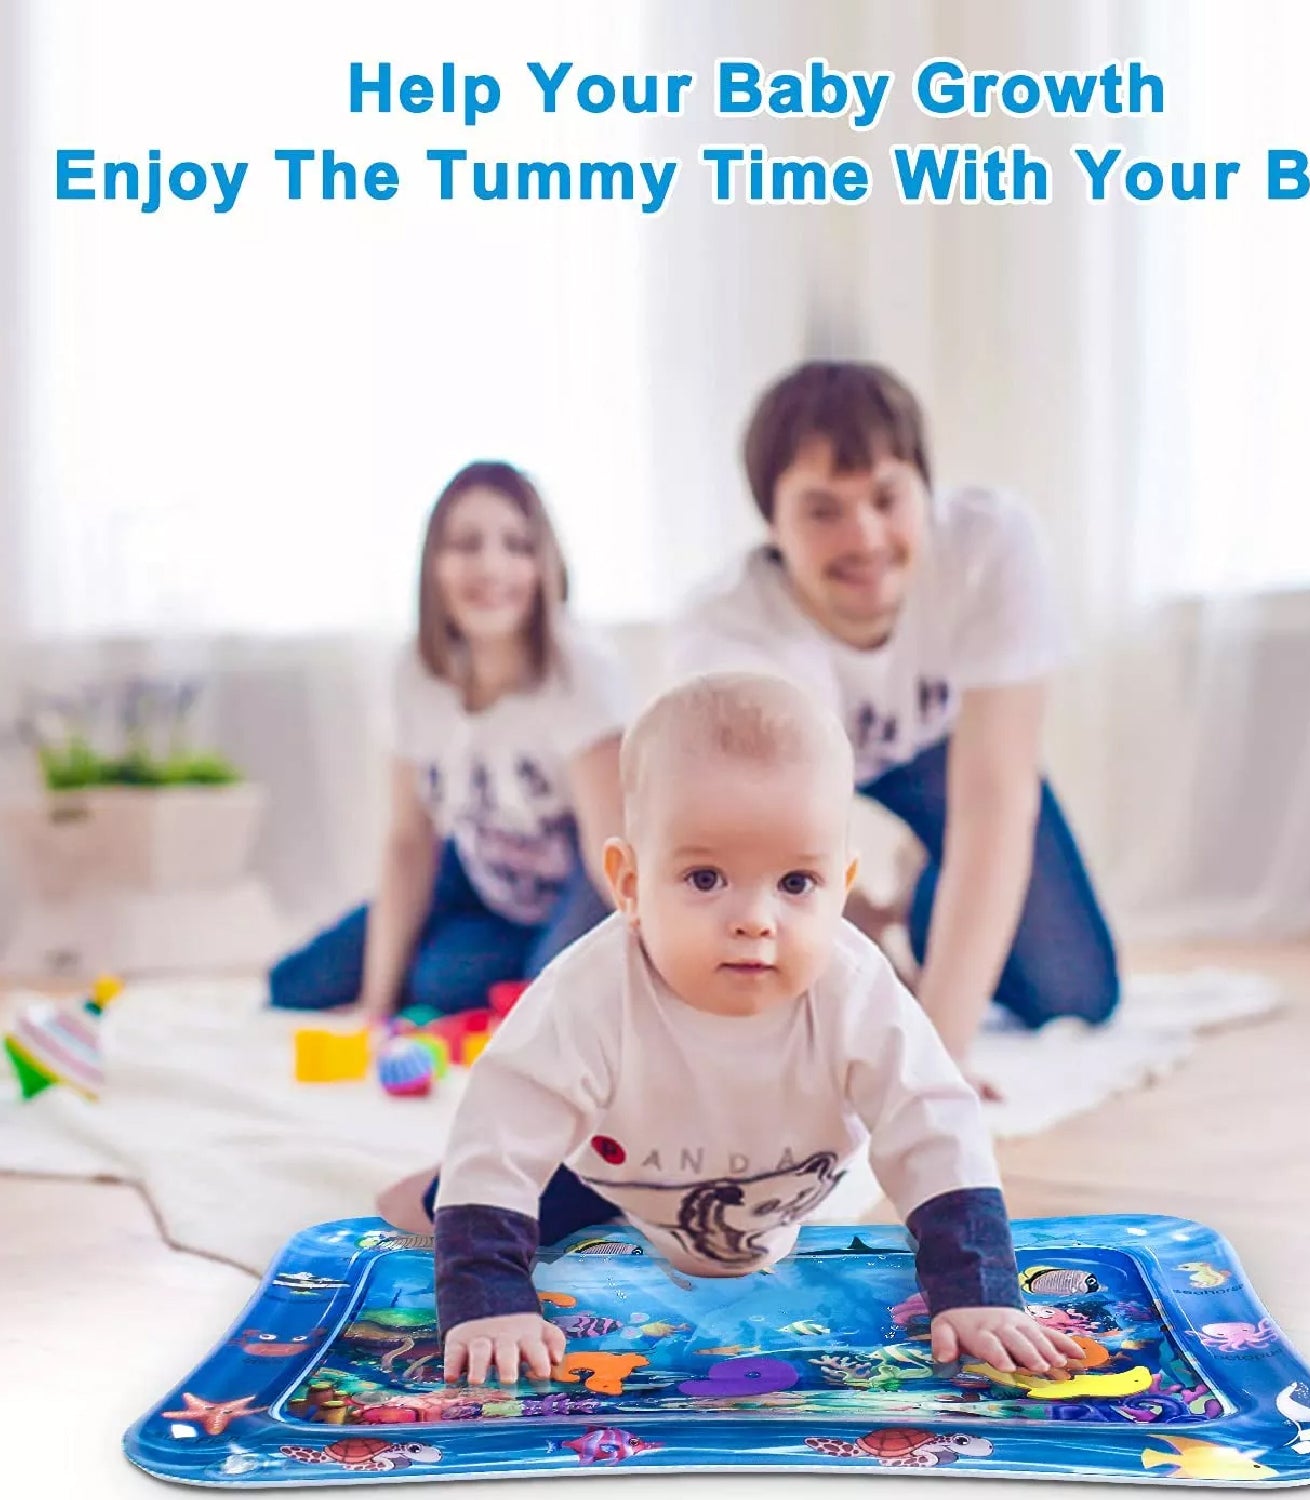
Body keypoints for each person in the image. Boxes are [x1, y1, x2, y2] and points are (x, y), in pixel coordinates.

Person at [431, 672, 1085, 1388]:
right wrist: (489, 1301)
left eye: (797, 883)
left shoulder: (855, 987)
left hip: (785, 1179)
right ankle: (429, 1192)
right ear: (628, 884)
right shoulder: (586, 993)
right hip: (619, 1174)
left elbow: (931, 1121)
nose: (756, 919)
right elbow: (502, 1124)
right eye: (706, 878)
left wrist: (977, 1291)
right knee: (459, 1205)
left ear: (841, 885)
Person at [668, 361, 1119, 1071]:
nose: (865, 538)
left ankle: (922, 891)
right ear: (771, 524)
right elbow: (753, 848)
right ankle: (890, 914)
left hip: (949, 755)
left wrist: (940, 1051)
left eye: (886, 497)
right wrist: (852, 944)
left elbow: (998, 798)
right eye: (823, 511)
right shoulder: (727, 632)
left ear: (924, 489)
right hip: (805, 789)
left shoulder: (991, 545)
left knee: (1074, 989)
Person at [268, 460, 626, 1024]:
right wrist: (375, 1006)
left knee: (493, 1000)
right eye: (465, 545)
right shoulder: (414, 672)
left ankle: (482, 978)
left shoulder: (581, 670)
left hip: (574, 882)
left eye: (516, 545)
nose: (491, 566)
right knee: (293, 984)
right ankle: (446, 970)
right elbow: (409, 841)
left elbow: (611, 854)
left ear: (545, 563)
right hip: (475, 871)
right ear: (434, 565)